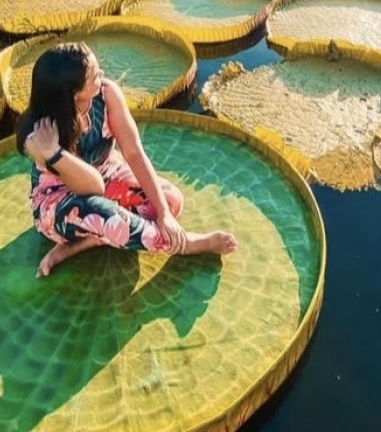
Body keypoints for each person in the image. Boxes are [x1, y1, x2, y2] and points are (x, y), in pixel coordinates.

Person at [17, 43, 239, 277]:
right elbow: (93, 187)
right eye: (94, 76)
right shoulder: (37, 137)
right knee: (101, 213)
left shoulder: (106, 94)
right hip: (61, 203)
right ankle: (185, 244)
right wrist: (53, 152)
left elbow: (133, 152)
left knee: (171, 201)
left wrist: (163, 214)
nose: (101, 76)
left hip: (108, 174)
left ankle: (86, 242)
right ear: (74, 93)